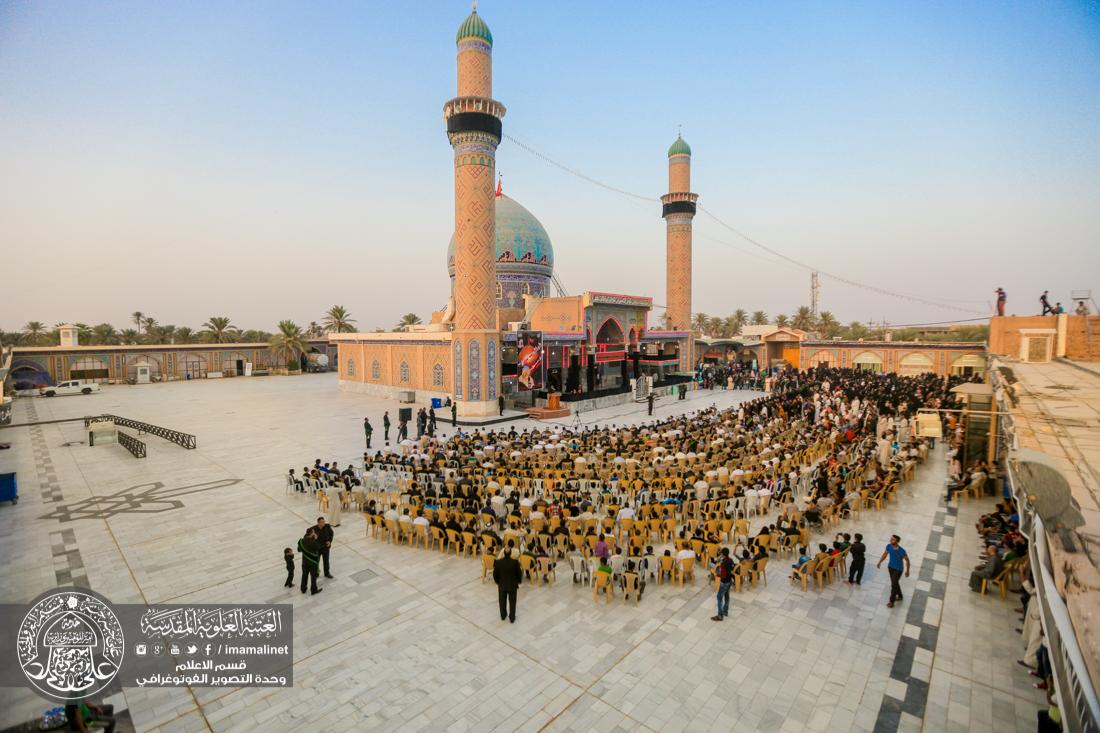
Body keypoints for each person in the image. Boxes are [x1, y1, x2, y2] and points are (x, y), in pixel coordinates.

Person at [493, 539, 522, 623]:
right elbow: (519, 574)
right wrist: (518, 581)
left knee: (502, 601)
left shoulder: (498, 563)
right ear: (510, 553)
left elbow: (495, 575)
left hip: (502, 585)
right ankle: (512, 617)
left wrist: (498, 582)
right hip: (512, 585)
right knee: (512, 602)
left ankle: (503, 615)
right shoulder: (515, 562)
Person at [876, 534, 910, 608]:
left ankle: (891, 601)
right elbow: (885, 554)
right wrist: (879, 562)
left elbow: (907, 561)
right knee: (895, 583)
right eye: (891, 539)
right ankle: (900, 596)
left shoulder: (901, 550)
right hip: (890, 567)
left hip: (898, 569)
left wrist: (907, 571)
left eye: (893, 539)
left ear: (897, 541)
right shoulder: (889, 546)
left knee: (893, 585)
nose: (891, 540)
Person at [297, 528, 323, 595]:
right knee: (313, 577)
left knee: (304, 575)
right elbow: (319, 547)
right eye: (313, 532)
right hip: (313, 563)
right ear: (311, 533)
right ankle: (313, 590)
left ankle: (303, 589)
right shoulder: (313, 542)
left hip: (304, 562)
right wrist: (316, 539)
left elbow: (299, 550)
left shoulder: (301, 541)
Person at [712, 547, 734, 621]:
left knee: (719, 597)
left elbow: (723, 575)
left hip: (724, 582)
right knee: (727, 596)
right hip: (729, 581)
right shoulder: (730, 560)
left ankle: (720, 615)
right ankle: (725, 611)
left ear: (722, 554)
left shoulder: (723, 563)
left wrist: (717, 575)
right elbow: (732, 568)